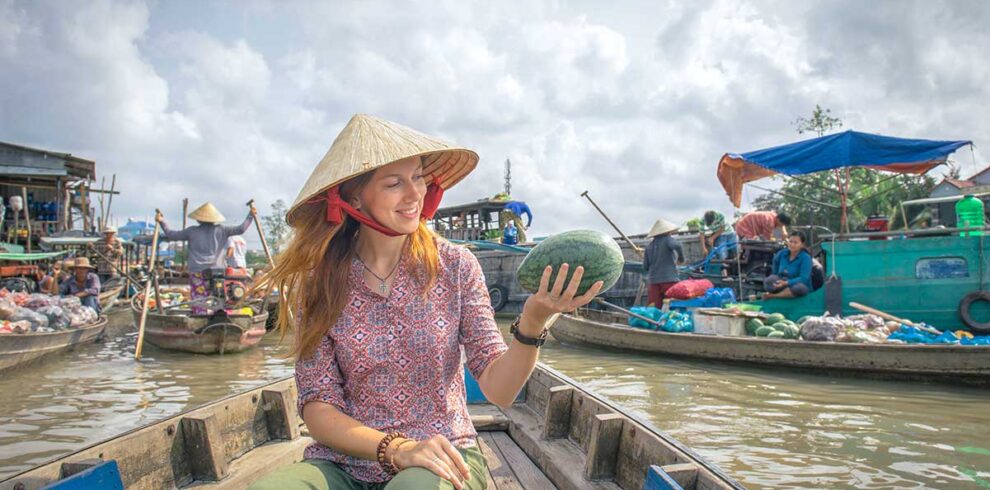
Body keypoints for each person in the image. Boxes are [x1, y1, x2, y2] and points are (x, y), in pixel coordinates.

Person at [248, 114, 602, 490]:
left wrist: (532, 322)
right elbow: (318, 408)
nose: (415, 194)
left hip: (443, 455)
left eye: (418, 177)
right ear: (354, 197)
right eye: (394, 183)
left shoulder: (455, 266)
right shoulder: (318, 282)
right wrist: (396, 449)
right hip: (343, 463)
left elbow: (499, 390)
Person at [158, 202, 255, 314]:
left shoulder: (192, 231)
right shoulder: (222, 230)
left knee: (199, 299)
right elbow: (241, 229)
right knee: (219, 297)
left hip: (197, 271)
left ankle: (200, 318)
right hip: (217, 271)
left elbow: (171, 234)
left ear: (198, 220)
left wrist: (161, 221)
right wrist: (250, 215)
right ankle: (220, 317)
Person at [641, 218, 684, 307]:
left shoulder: (649, 246)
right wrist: (681, 259)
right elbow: (678, 245)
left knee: (654, 308)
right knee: (671, 306)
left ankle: (653, 321)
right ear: (668, 232)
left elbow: (645, 267)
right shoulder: (668, 239)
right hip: (669, 280)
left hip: (653, 282)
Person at [763, 231, 812, 299]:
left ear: (802, 244)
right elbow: (775, 262)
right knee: (769, 280)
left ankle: (774, 296)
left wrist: (786, 283)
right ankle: (782, 293)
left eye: (795, 242)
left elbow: (803, 278)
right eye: (790, 241)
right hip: (782, 283)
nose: (792, 244)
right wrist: (776, 277)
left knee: (799, 288)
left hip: (797, 285)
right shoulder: (782, 253)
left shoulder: (806, 258)